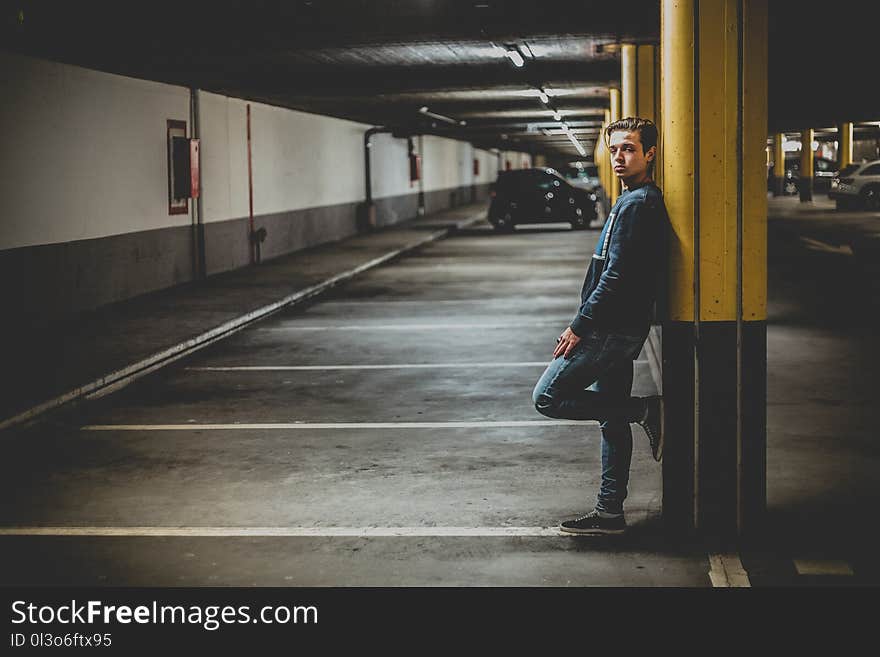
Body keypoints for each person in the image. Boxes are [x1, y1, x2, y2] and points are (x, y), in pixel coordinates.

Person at [531, 116, 669, 535]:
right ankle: (610, 512)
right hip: (616, 325)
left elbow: (618, 274)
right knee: (611, 421)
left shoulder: (638, 202)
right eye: (613, 150)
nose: (619, 157)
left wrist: (580, 324)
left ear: (650, 153)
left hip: (610, 329)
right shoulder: (630, 198)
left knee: (548, 398)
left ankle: (644, 409)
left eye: (628, 148)